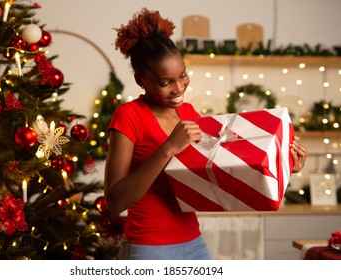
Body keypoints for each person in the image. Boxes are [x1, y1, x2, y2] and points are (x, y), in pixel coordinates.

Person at [104, 8, 307, 260]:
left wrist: (285, 167)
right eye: (165, 82)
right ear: (141, 80)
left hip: (194, 243)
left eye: (182, 76)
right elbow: (115, 201)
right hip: (148, 248)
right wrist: (168, 149)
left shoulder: (189, 112)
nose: (179, 88)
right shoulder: (128, 115)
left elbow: (223, 176)